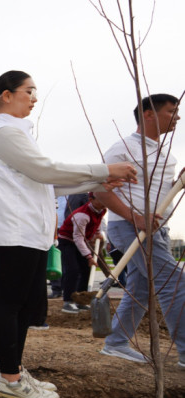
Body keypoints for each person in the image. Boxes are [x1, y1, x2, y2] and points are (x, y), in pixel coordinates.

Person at [0, 70, 137, 398]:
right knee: (9, 304)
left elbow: (44, 181)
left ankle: (15, 371)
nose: (34, 99)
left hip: (29, 230)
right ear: (6, 95)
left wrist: (96, 184)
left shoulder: (16, 132)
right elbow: (46, 170)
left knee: (22, 306)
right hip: (15, 230)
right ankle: (9, 378)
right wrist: (103, 171)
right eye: (28, 91)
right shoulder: (3, 131)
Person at [96, 93, 185, 369]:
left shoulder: (164, 154)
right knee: (175, 283)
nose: (178, 117)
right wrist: (134, 217)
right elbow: (100, 190)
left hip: (155, 230)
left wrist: (178, 182)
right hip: (130, 227)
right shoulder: (122, 149)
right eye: (172, 111)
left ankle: (116, 342)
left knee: (141, 289)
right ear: (148, 114)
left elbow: (160, 190)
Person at [58, 192, 106, 314]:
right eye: (101, 199)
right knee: (73, 270)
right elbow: (77, 238)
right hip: (67, 241)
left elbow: (97, 222)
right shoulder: (82, 215)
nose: (105, 202)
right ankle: (68, 302)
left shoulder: (102, 210)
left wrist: (97, 233)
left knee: (86, 270)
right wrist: (88, 256)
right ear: (91, 199)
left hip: (81, 240)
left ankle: (81, 300)